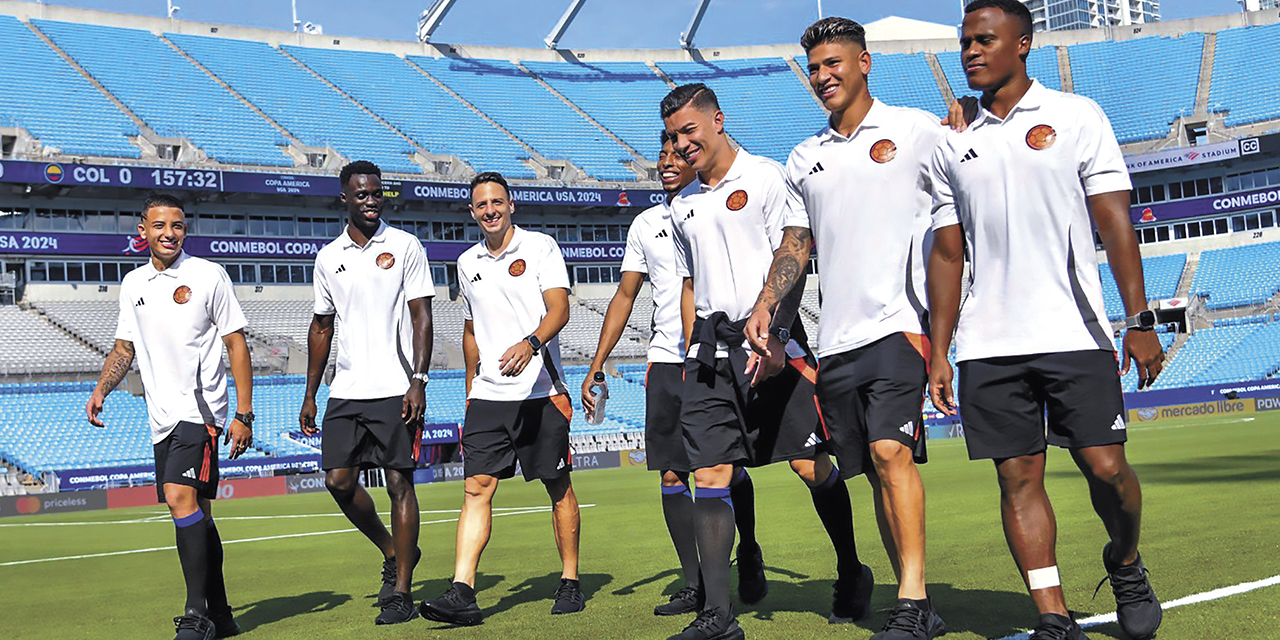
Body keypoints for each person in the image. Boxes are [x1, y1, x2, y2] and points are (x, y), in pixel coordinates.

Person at [927, 2, 1165, 639]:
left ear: (1024, 44)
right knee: (1018, 476)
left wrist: (1138, 317)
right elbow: (948, 251)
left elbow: (1115, 222)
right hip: (988, 342)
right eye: (965, 42)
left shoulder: (1076, 115)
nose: (971, 51)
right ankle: (1053, 617)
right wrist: (939, 349)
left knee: (1107, 470)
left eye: (985, 40)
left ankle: (1126, 560)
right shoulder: (951, 144)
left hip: (1073, 332)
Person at [744, 16, 971, 640]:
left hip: (900, 327)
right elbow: (795, 242)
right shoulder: (804, 157)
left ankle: (910, 600)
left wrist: (971, 122)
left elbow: (973, 172)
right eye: (814, 68)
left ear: (865, 62)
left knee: (889, 451)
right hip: (838, 342)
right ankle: (915, 600)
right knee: (871, 469)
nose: (822, 77)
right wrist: (768, 300)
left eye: (834, 63)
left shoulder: (915, 130)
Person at [662, 83, 864, 640]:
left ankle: (851, 569)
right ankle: (719, 617)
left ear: (717, 121)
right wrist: (688, 348)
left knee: (809, 467)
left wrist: (773, 330)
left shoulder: (768, 177)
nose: (681, 145)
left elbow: (794, 255)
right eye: (674, 136)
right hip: (709, 354)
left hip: (774, 347)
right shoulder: (681, 206)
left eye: (689, 131)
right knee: (711, 474)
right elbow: (691, 284)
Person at [582, 133, 763, 617]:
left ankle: (745, 549)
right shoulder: (646, 224)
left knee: (725, 468)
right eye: (660, 155)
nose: (666, 162)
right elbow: (624, 296)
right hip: (664, 360)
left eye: (676, 154)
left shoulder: (712, 206)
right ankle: (695, 583)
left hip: (710, 356)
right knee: (670, 474)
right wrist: (598, 362)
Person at [419, 171, 584, 626]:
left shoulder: (540, 248)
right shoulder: (466, 261)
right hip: (488, 397)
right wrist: (471, 387)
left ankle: (569, 580)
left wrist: (530, 344)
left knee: (557, 485)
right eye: (481, 205)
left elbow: (560, 309)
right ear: (472, 213)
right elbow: (471, 330)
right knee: (476, 489)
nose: (489, 210)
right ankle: (463, 591)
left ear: (511, 204)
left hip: (541, 392)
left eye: (497, 202)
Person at [87, 193, 254, 640]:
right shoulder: (133, 284)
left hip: (199, 412)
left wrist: (243, 413)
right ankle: (221, 614)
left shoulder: (207, 275)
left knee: (181, 500)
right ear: (142, 230)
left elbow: (236, 343)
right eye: (159, 225)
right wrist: (102, 388)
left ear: (185, 230)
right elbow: (125, 348)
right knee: (198, 511)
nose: (169, 233)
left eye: (177, 225)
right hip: (160, 416)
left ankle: (196, 615)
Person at [299, 160, 434, 626]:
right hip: (347, 389)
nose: (371, 201)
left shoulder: (405, 246)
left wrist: (419, 379)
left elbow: (422, 316)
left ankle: (400, 592)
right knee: (338, 481)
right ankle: (395, 549)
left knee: (399, 482)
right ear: (345, 199)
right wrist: (311, 393)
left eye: (377, 194)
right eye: (362, 195)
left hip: (397, 387)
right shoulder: (327, 256)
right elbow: (322, 326)